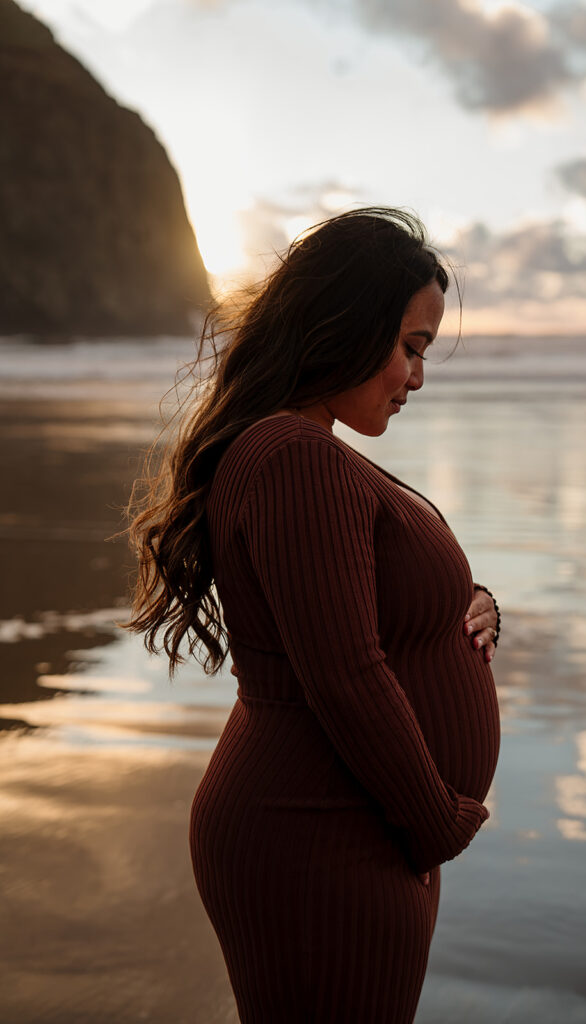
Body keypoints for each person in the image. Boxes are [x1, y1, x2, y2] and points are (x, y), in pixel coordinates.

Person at [124, 207, 501, 1023]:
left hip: (353, 820)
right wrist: (434, 821)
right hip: (322, 830)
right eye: (411, 347)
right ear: (346, 325)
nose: (417, 377)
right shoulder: (295, 456)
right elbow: (345, 675)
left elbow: (359, 617)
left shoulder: (304, 452)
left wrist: (465, 609)